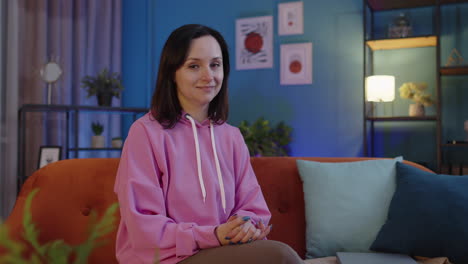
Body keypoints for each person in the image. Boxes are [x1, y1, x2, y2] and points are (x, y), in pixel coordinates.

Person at [114, 24, 303, 264]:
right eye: (194, 66)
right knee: (281, 256)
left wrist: (248, 226)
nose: (208, 76)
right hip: (167, 258)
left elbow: (253, 207)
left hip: (221, 251)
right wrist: (213, 235)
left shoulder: (231, 136)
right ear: (172, 72)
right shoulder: (146, 133)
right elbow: (144, 226)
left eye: (215, 65)